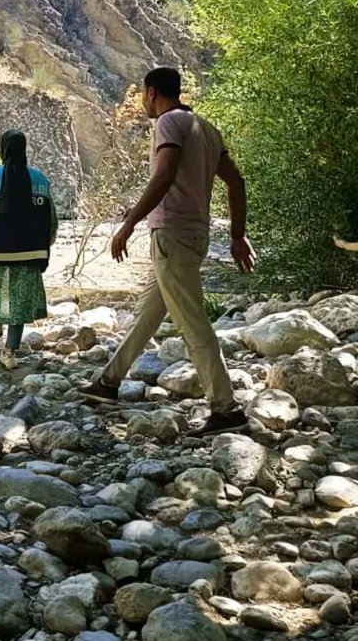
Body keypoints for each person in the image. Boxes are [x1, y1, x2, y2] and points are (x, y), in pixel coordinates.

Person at [79, 66, 256, 435]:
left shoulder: (169, 123)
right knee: (147, 314)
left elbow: (164, 175)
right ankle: (108, 382)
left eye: (144, 94)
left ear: (152, 92)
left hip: (172, 235)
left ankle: (226, 409)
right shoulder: (205, 128)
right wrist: (237, 236)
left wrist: (128, 224)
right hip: (194, 235)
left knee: (193, 323)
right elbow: (236, 182)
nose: (144, 101)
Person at [0, 129, 58, 370]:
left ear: (3, 148)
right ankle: (9, 351)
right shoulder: (40, 178)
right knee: (19, 304)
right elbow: (51, 219)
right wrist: (45, 244)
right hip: (30, 252)